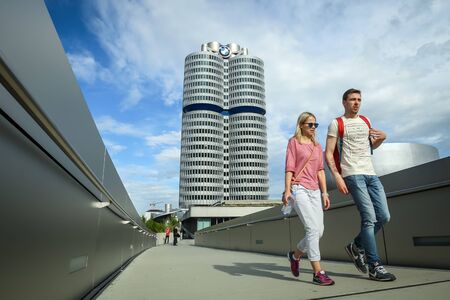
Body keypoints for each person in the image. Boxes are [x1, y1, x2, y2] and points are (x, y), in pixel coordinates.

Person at [325, 88, 396, 281]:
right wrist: (337, 176)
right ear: (344, 102)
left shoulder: (366, 121)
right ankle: (375, 266)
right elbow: (329, 153)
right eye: (352, 100)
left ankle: (356, 245)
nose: (356, 103)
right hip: (352, 174)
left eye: (359, 99)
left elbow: (369, 147)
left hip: (371, 174)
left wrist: (382, 139)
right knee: (369, 218)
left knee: (384, 216)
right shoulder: (337, 123)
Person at [284, 112, 334, 286]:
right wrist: (287, 190)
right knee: (312, 229)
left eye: (315, 125)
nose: (313, 127)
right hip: (299, 189)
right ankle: (318, 272)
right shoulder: (294, 142)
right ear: (301, 125)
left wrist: (325, 193)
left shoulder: (316, 145)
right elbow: (290, 168)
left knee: (319, 231)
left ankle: (295, 255)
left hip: (314, 191)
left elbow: (320, 170)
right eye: (310, 124)